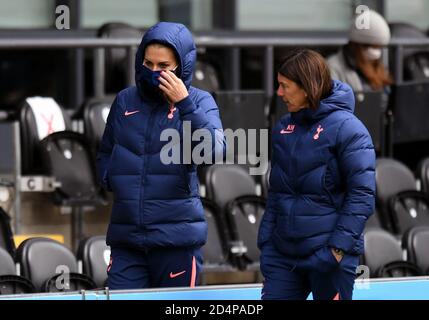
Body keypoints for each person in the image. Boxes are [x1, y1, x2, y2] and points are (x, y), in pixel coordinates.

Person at [96, 22, 226, 289]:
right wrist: (109, 178)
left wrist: (184, 103)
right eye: (148, 63)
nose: (154, 72)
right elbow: (106, 150)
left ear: (182, 66)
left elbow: (213, 152)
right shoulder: (125, 100)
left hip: (176, 242)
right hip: (127, 238)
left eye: (163, 66)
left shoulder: (200, 101)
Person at [258, 49, 376, 300]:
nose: (279, 93)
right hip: (283, 256)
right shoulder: (282, 128)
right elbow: (277, 193)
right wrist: (266, 244)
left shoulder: (349, 129)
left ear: (307, 87)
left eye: (284, 86)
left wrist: (337, 250)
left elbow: (362, 195)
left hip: (329, 258)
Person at [327, 9, 393, 92]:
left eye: (379, 47)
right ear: (355, 45)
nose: (376, 53)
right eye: (372, 47)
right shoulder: (333, 68)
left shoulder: (377, 65)